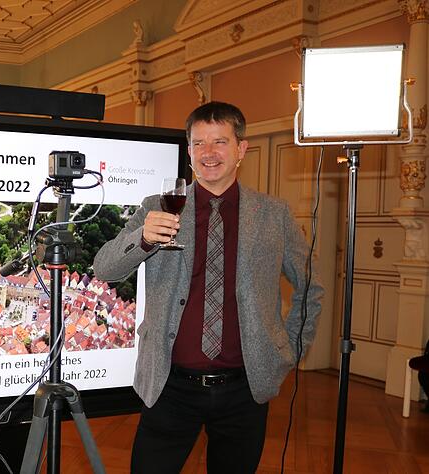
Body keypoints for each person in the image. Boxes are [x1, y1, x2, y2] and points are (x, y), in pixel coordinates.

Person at [93, 101, 324, 473]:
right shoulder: (158, 207)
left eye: (219, 142)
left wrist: (289, 349)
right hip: (169, 385)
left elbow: (310, 287)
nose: (209, 153)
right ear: (188, 152)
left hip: (245, 388)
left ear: (240, 149)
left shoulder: (273, 215)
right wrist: (143, 238)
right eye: (199, 143)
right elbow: (104, 269)